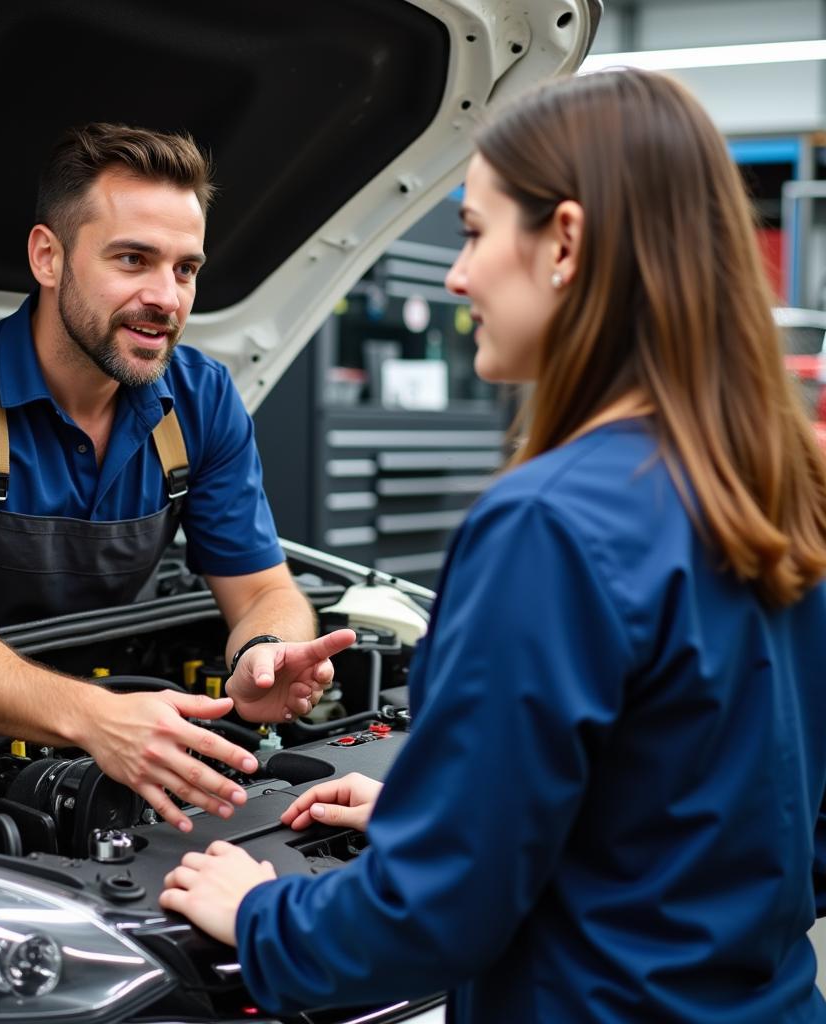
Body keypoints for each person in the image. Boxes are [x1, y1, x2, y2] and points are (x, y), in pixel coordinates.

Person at [159, 69, 826, 1021]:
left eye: (474, 232)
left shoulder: (548, 525)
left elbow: (430, 923)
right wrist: (449, 820)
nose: (458, 275)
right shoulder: (780, 493)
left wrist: (265, 914)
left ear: (565, 242)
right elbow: (766, 822)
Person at [0, 123, 353, 832]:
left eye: (185, 268)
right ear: (48, 256)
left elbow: (266, 588)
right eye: (133, 259)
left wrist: (265, 653)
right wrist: (98, 721)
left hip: (136, 735)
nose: (167, 297)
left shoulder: (202, 399)